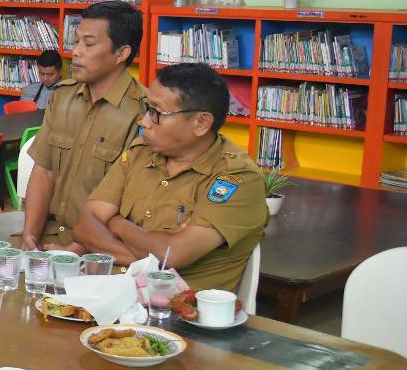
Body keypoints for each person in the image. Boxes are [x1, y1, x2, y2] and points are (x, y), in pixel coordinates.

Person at [74, 63, 267, 292]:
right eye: (147, 108)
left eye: (157, 113)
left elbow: (173, 254)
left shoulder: (236, 178)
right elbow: (85, 225)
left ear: (201, 123)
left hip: (176, 314)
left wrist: (116, 222)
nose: (144, 121)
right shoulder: (140, 153)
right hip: (107, 294)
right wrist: (153, 256)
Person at [19, 1, 147, 250]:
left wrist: (75, 251)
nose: (76, 51)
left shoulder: (143, 114)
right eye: (76, 42)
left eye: (88, 44)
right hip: (48, 237)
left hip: (100, 250)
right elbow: (43, 172)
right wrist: (29, 236)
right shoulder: (62, 96)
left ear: (121, 54)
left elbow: (129, 206)